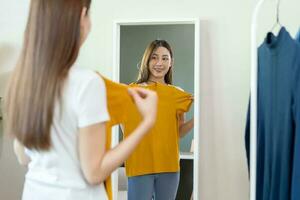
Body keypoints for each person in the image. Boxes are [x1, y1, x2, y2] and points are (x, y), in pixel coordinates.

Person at [4, 1, 157, 200]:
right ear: (82, 16)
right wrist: (146, 123)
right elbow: (94, 173)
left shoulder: (24, 80)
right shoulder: (87, 83)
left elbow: (23, 156)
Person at [124, 39, 194, 200]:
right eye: (154, 57)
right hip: (139, 165)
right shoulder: (131, 91)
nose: (159, 63)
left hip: (169, 166)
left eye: (165, 58)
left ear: (171, 62)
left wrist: (197, 119)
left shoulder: (177, 93)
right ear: (147, 60)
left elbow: (178, 132)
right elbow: (125, 129)